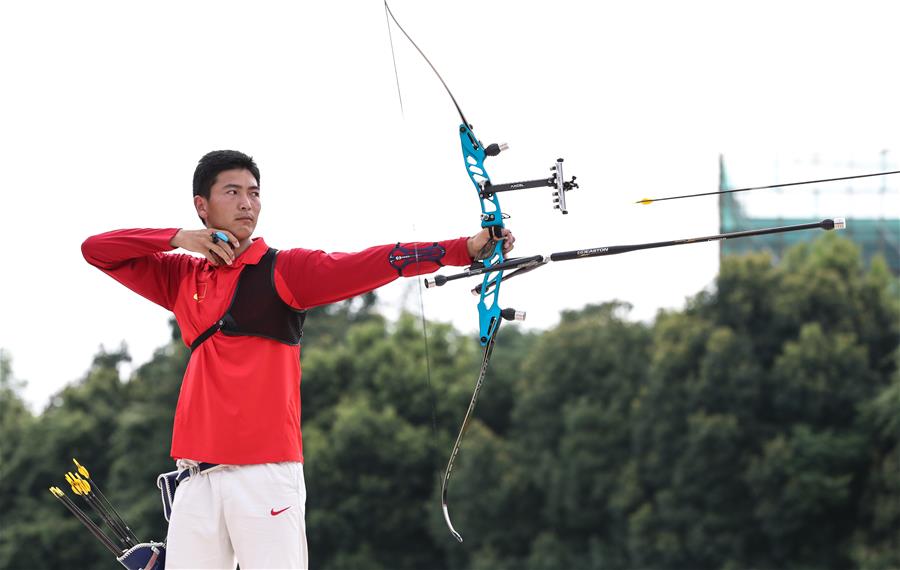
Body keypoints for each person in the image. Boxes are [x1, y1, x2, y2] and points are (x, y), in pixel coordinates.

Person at [81, 150, 514, 569]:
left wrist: (466, 248)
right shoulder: (181, 276)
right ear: (202, 205)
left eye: (254, 192)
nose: (247, 203)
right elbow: (96, 249)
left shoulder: (283, 270)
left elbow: (374, 262)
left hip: (264, 475)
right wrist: (178, 238)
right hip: (195, 477)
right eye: (232, 192)